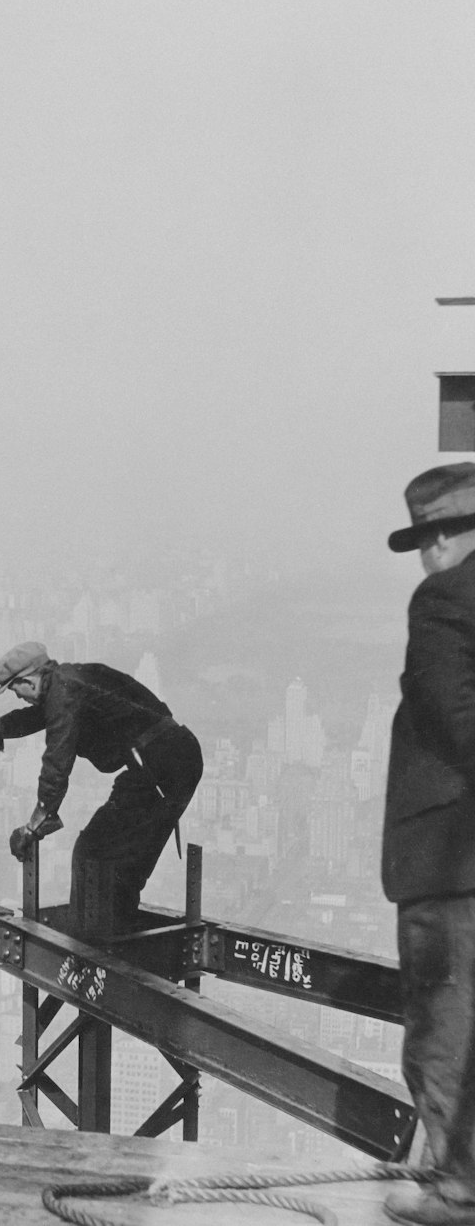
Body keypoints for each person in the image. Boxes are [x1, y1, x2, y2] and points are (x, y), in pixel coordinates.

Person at [0, 642, 203, 934]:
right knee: (112, 858)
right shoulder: (68, 682)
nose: (20, 697)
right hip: (167, 761)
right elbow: (29, 719)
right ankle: (114, 933)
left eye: (16, 690)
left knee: (95, 852)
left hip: (162, 766)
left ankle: (102, 941)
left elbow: (57, 760)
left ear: (28, 680)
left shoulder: (63, 694)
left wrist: (34, 826)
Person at [382, 463, 475, 1226]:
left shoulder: (445, 597)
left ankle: (453, 1187)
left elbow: (453, 714)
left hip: (449, 861)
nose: (426, 557)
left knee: (442, 1019)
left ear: (446, 535)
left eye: (429, 539)